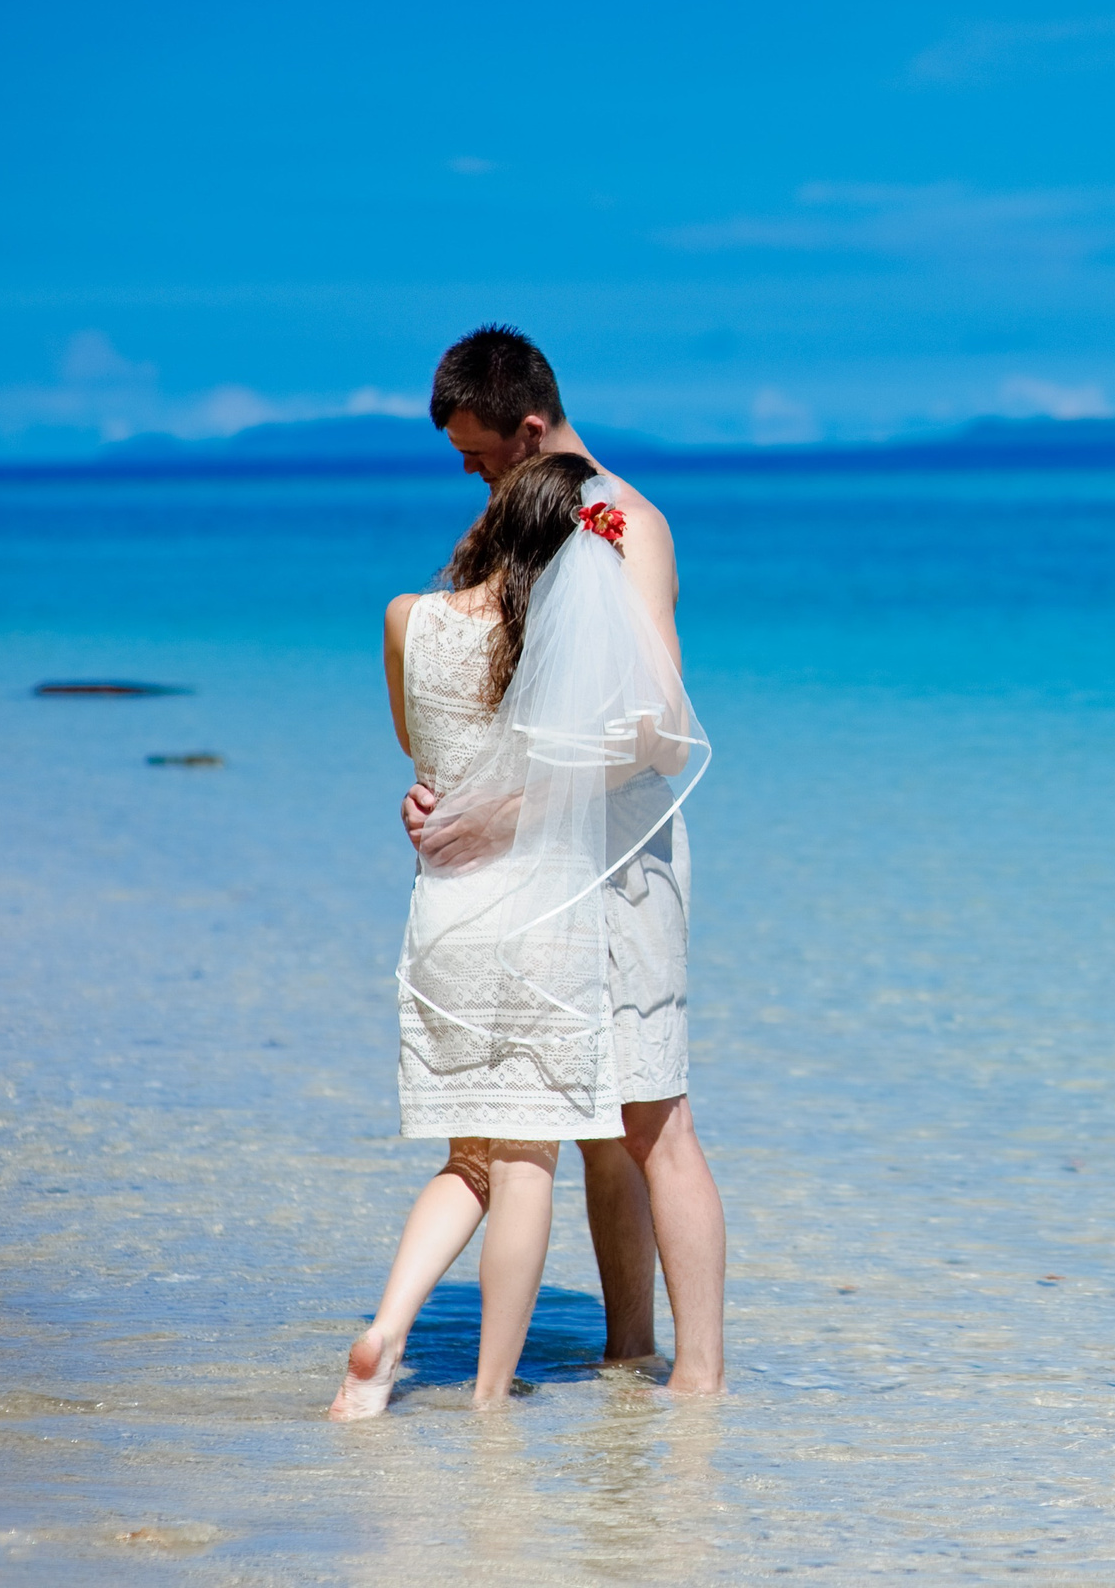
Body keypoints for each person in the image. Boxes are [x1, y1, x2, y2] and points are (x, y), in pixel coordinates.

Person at [327, 329, 726, 1418]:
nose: (471, 475)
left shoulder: (627, 527)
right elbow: (488, 688)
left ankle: (697, 1388)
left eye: (478, 454)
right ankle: (624, 1360)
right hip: (525, 867)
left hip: (622, 860)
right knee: (583, 1121)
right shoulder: (522, 510)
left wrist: (491, 812)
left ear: (531, 429)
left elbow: (653, 731)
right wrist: (443, 792)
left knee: (652, 1122)